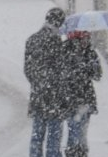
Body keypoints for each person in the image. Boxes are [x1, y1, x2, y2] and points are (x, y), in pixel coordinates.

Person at [25, 8, 71, 157]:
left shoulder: (32, 40)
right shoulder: (57, 43)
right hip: (55, 98)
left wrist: (38, 84)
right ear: (58, 23)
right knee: (53, 137)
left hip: (38, 96)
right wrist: (57, 87)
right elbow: (61, 71)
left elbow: (28, 69)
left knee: (37, 135)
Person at [62, 31, 101, 157]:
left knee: (82, 131)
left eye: (87, 38)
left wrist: (90, 67)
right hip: (71, 97)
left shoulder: (90, 53)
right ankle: (73, 152)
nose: (86, 41)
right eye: (83, 38)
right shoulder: (66, 51)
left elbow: (97, 75)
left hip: (86, 97)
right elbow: (65, 73)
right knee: (74, 129)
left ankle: (82, 153)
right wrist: (80, 69)